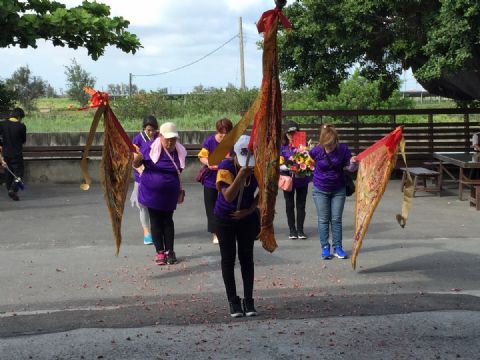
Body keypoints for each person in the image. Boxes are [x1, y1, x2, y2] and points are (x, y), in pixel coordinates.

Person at [214, 135, 260, 317]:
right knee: (228, 259)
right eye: (241, 163)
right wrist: (240, 176)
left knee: (246, 258)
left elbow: (264, 193)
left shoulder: (256, 167)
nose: (244, 166)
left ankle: (249, 301)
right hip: (224, 218)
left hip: (246, 217)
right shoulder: (225, 167)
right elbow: (228, 196)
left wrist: (249, 210)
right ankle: (233, 301)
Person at [132, 122, 186, 266]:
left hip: (169, 193)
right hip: (151, 192)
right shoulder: (149, 147)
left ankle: (170, 251)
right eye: (167, 138)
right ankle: (160, 251)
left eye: (173, 139)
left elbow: (180, 169)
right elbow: (136, 164)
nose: (170, 142)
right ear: (160, 136)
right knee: (155, 221)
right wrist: (136, 160)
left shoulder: (179, 150)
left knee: (168, 221)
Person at [309, 124, 358, 260]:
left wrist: (353, 162)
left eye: (331, 145)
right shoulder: (317, 150)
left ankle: (338, 247)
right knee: (323, 219)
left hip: (338, 188)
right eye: (326, 145)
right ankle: (325, 247)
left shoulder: (343, 149)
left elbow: (350, 168)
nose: (329, 148)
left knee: (336, 219)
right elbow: (310, 162)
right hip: (320, 189)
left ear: (336, 140)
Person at [197, 118, 233, 244]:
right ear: (217, 130)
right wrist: (209, 163)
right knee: (211, 207)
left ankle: (228, 230)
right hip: (211, 179)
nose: (224, 135)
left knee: (227, 205)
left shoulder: (232, 141)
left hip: (227, 179)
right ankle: (215, 233)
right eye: (221, 132)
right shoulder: (210, 141)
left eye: (226, 132)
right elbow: (202, 156)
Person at [279, 121, 311, 239]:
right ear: (285, 134)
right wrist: (289, 165)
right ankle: (292, 230)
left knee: (301, 205)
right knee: (289, 204)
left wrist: (305, 154)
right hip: (287, 179)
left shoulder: (304, 145)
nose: (292, 135)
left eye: (295, 133)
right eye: (290, 133)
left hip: (302, 179)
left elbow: (309, 162)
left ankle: (300, 230)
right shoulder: (282, 146)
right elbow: (278, 164)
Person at [130, 115, 159, 245]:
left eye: (153, 130)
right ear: (144, 129)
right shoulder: (138, 139)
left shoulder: (160, 138)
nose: (151, 132)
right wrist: (141, 170)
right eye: (148, 130)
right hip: (141, 177)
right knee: (142, 205)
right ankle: (146, 232)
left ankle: (157, 229)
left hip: (156, 176)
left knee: (156, 204)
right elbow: (134, 157)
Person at [0, 108, 27, 201]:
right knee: (19, 173)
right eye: (21, 118)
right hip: (16, 154)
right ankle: (13, 189)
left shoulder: (2, 124)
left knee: (8, 173)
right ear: (19, 116)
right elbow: (23, 140)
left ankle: (10, 190)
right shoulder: (21, 126)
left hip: (5, 154)